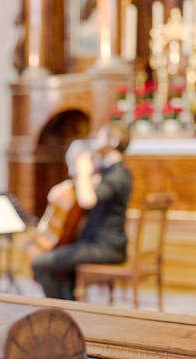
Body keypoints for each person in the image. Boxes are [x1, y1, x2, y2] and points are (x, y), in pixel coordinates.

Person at [31, 122, 132, 300]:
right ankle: (70, 308)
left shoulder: (119, 175)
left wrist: (83, 170)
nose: (95, 142)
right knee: (58, 265)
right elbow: (82, 189)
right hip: (91, 243)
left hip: (106, 247)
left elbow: (87, 200)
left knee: (40, 264)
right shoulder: (105, 171)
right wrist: (64, 187)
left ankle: (62, 312)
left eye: (100, 137)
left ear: (113, 141)